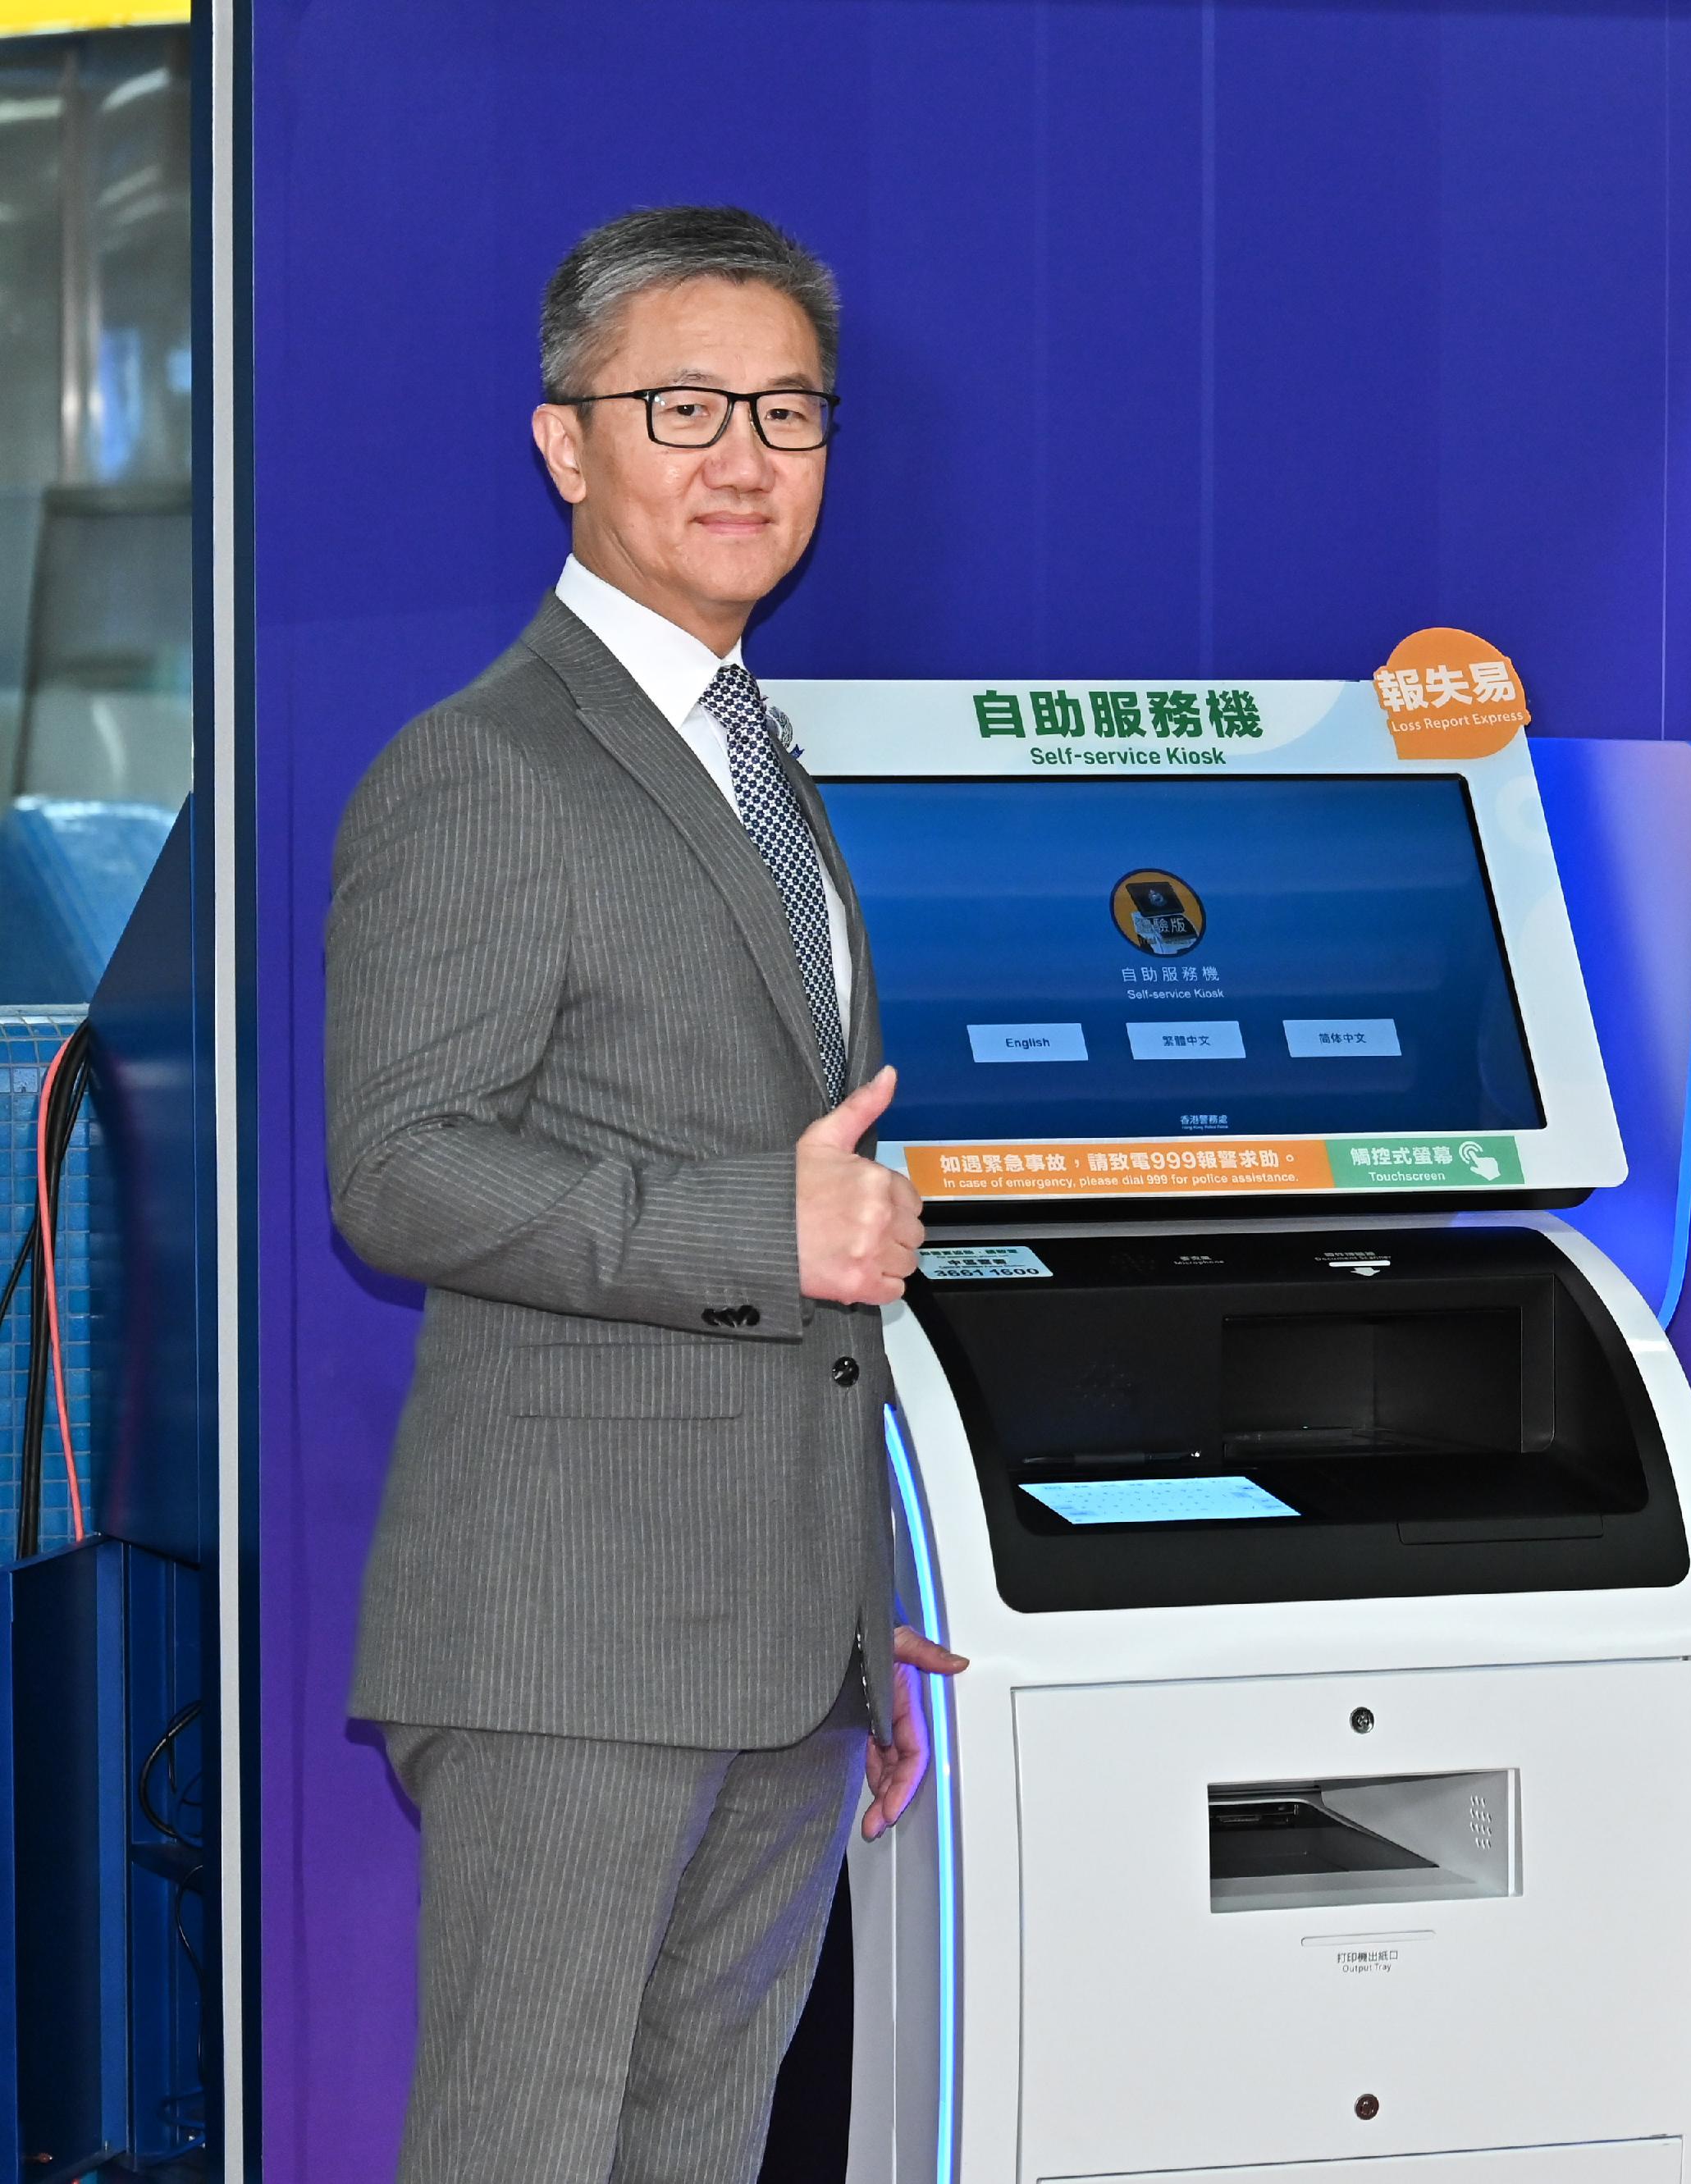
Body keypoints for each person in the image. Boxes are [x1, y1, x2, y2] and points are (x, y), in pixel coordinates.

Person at [327, 205, 965, 2184]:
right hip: (568, 1644)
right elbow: (399, 1170)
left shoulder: (744, 748)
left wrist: (860, 1605)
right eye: (682, 406)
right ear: (563, 443)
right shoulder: (487, 769)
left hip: (775, 1640)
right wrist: (743, 1224)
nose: (744, 458)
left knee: (696, 2147)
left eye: (787, 410)